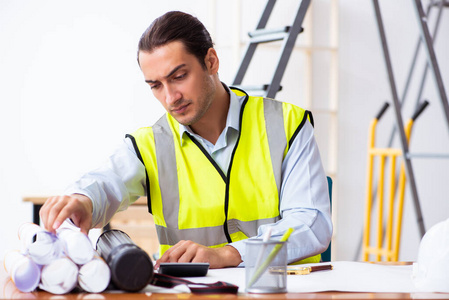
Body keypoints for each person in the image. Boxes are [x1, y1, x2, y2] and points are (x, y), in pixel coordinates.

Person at [40, 11, 332, 269]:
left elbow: (311, 224)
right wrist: (83, 200)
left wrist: (229, 254)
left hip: (284, 291)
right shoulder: (150, 145)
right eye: (155, 85)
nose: (169, 98)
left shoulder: (287, 124)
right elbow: (106, 180)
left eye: (179, 76)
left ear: (211, 61)